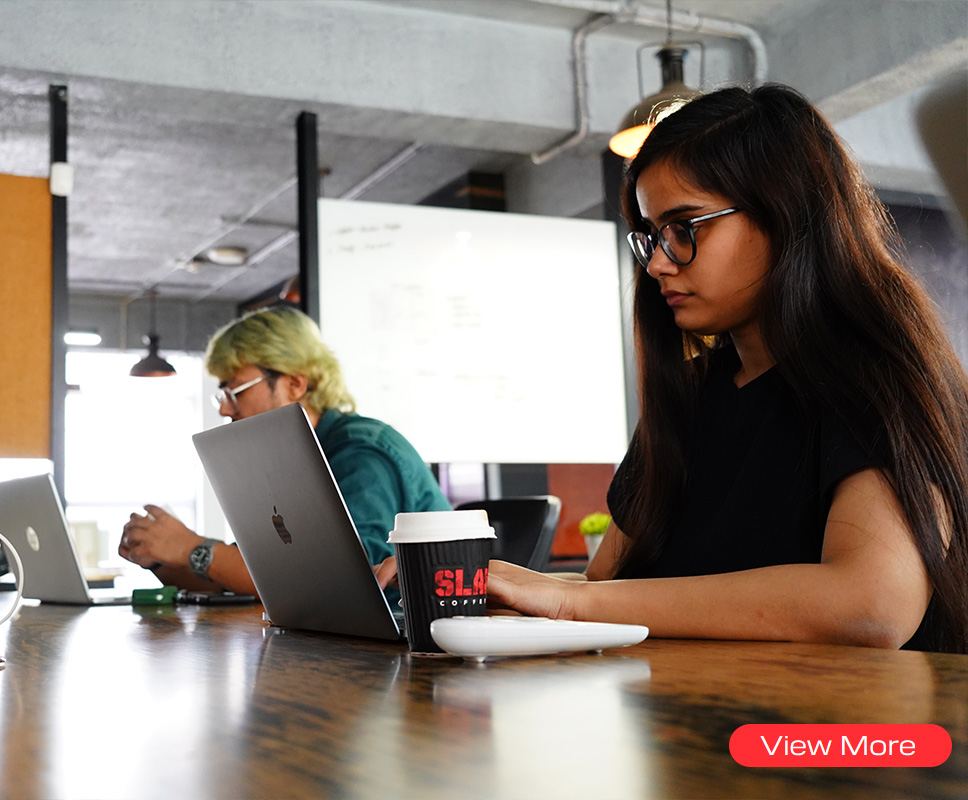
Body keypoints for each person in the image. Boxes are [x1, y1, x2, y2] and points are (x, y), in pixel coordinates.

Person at [383, 84, 968, 653]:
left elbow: (870, 604)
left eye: (684, 228)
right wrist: (481, 588)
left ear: (785, 215)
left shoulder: (881, 378)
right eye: (651, 237)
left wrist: (567, 602)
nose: (658, 264)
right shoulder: (690, 394)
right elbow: (606, 584)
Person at [119, 305, 451, 598]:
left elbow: (341, 580)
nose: (223, 409)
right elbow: (244, 576)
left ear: (295, 384)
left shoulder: (361, 454)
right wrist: (159, 555)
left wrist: (192, 548)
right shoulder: (291, 462)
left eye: (234, 391)